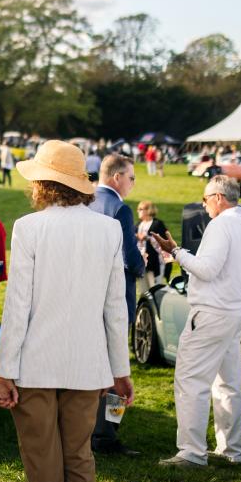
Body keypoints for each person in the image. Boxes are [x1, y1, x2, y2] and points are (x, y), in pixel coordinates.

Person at [0, 139, 133, 482]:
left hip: (35, 364)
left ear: (42, 184)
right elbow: (115, 309)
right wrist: (121, 369)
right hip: (88, 366)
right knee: (80, 459)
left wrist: (3, 370)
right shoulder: (108, 229)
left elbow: (18, 304)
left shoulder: (29, 227)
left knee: (42, 463)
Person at [152, 176, 241, 467]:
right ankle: (231, 450)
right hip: (233, 312)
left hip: (210, 313)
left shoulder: (221, 224)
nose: (204, 203)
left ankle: (192, 452)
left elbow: (207, 270)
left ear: (219, 197)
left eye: (206, 198)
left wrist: (176, 252)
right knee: (228, 384)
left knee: (190, 380)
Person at [88, 153, 144, 456]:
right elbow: (128, 256)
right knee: (116, 368)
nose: (133, 184)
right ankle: (107, 434)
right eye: (132, 177)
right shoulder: (119, 208)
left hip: (87, 296)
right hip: (115, 297)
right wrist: (142, 264)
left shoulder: (85, 202)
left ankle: (89, 428)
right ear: (117, 177)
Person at [136, 200, 170, 289]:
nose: (138, 211)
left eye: (140, 209)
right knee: (144, 289)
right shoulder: (139, 225)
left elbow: (165, 242)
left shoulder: (157, 224)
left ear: (148, 210)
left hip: (156, 261)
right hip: (142, 261)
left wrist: (147, 238)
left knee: (155, 288)